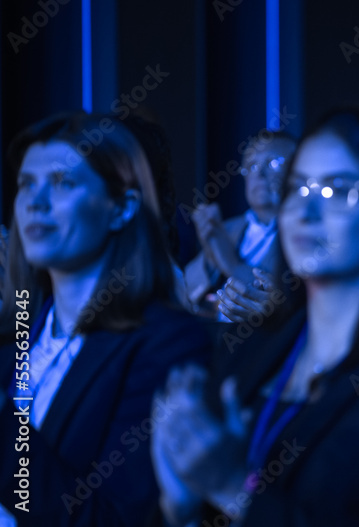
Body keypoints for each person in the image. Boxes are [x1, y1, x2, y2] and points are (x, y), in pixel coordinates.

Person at [151, 106, 359, 526]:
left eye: (336, 191)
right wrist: (182, 504)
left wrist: (232, 489)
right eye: (297, 190)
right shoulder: (262, 345)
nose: (305, 212)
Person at [0, 112, 210, 525]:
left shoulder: (165, 343)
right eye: (27, 184)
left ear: (122, 208)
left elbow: (115, 520)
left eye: (62, 183)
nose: (36, 202)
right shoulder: (18, 336)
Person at [182, 131, 296, 319]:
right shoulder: (226, 229)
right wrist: (212, 256)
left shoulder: (306, 232)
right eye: (250, 166)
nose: (259, 173)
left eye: (273, 163)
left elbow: (284, 305)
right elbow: (185, 291)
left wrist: (231, 264)